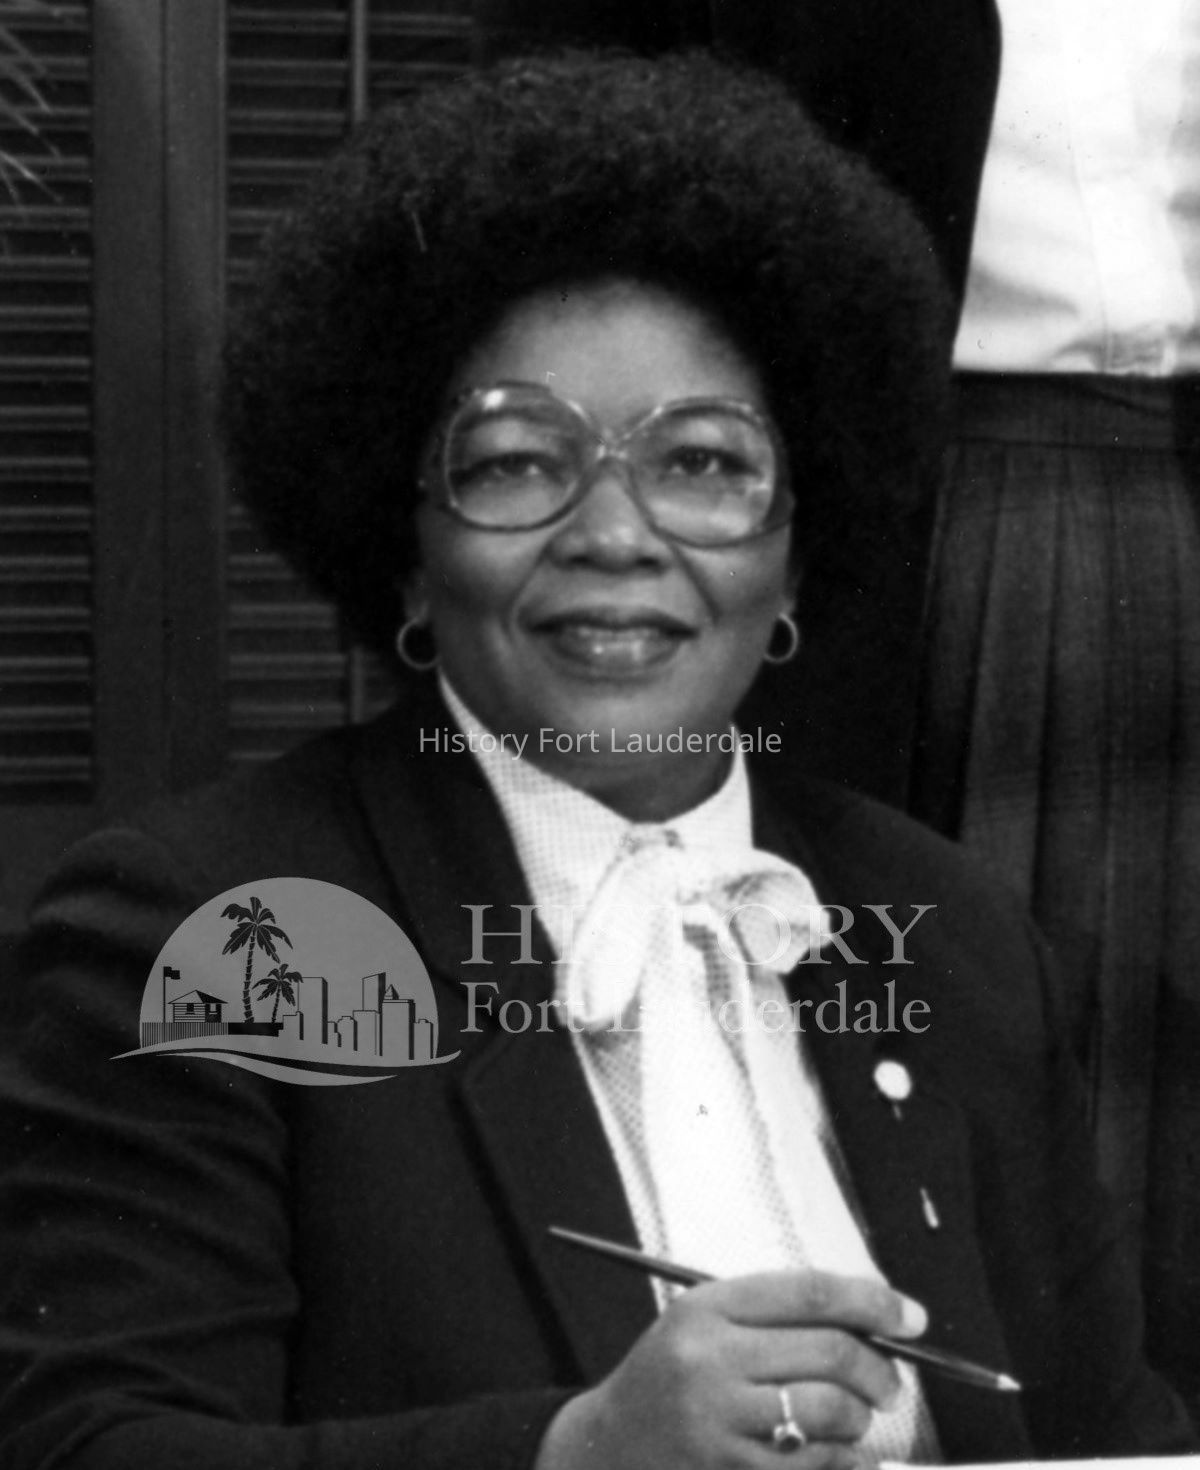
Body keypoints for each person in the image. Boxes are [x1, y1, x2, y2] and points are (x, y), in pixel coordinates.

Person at [0, 52, 1192, 1470]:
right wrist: (571, 1451)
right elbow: (89, 1448)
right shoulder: (226, 928)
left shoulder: (958, 935)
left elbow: (1119, 1444)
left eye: (702, 463)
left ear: (796, 552)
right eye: (516, 460)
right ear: (408, 545)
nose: (616, 534)